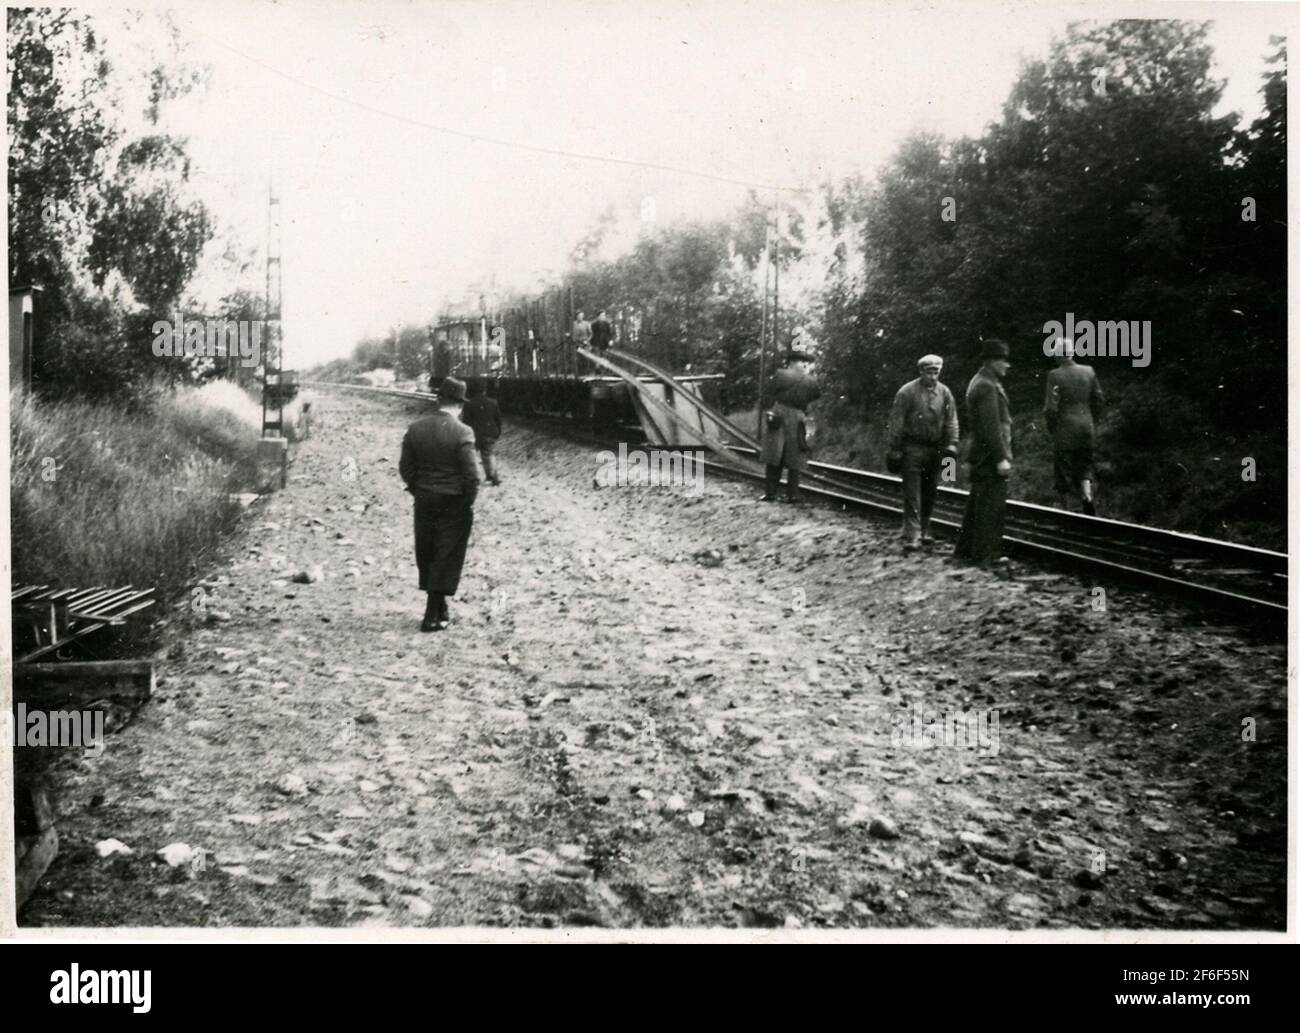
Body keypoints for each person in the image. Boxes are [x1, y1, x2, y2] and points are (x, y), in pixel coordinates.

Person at [399, 377, 483, 632]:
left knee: (427, 550)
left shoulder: (416, 428)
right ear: (460, 405)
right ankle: (431, 614)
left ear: (438, 400)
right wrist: (466, 501)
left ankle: (439, 606)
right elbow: (472, 475)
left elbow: (406, 468)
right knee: (446, 553)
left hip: (425, 498)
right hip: (454, 501)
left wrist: (419, 489)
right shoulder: (463, 432)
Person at [887, 354, 960, 553]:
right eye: (930, 372)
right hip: (912, 448)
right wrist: (895, 447)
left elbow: (951, 419)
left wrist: (952, 443)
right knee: (912, 492)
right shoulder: (906, 392)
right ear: (921, 372)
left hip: (936, 449)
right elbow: (896, 421)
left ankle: (924, 529)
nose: (933, 376)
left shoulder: (945, 393)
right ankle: (912, 534)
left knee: (931, 491)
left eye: (937, 372)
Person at [954, 339, 1013, 567]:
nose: (1007, 365)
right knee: (991, 507)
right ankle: (986, 556)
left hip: (981, 454)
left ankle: (966, 551)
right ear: (991, 362)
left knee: (978, 505)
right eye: (1003, 360)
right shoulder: (986, 385)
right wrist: (1001, 458)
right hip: (989, 457)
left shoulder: (982, 381)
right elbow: (991, 427)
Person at [1043, 336, 1104, 515]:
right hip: (1086, 428)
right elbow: (1099, 400)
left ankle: (1065, 510)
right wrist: (1091, 420)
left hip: (1064, 430)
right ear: (1071, 353)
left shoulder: (1055, 375)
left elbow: (1050, 409)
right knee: (1085, 466)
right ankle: (1087, 498)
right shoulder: (1089, 372)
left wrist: (1052, 428)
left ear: (1058, 356)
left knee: (1063, 470)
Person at [759, 350, 821, 503]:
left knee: (774, 455)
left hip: (779, 413)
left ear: (791, 362)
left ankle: (770, 493)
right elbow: (815, 396)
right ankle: (793, 494)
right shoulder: (811, 380)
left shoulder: (781, 374)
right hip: (799, 416)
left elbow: (770, 391)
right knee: (796, 457)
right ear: (803, 363)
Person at [461, 379, 503, 486]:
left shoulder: (468, 404)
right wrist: (498, 431)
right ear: (484, 390)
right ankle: (494, 478)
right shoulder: (493, 402)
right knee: (489, 454)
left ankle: (474, 478)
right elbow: (498, 419)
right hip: (490, 433)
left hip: (474, 435)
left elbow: (465, 421)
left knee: (472, 456)